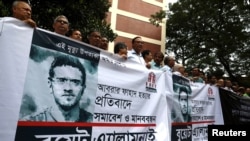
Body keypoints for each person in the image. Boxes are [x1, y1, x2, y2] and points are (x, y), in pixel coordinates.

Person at [22, 55, 93, 122]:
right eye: (61, 81)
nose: (68, 88)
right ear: (50, 85)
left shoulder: (93, 121)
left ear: (83, 89)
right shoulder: (30, 123)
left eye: (75, 82)